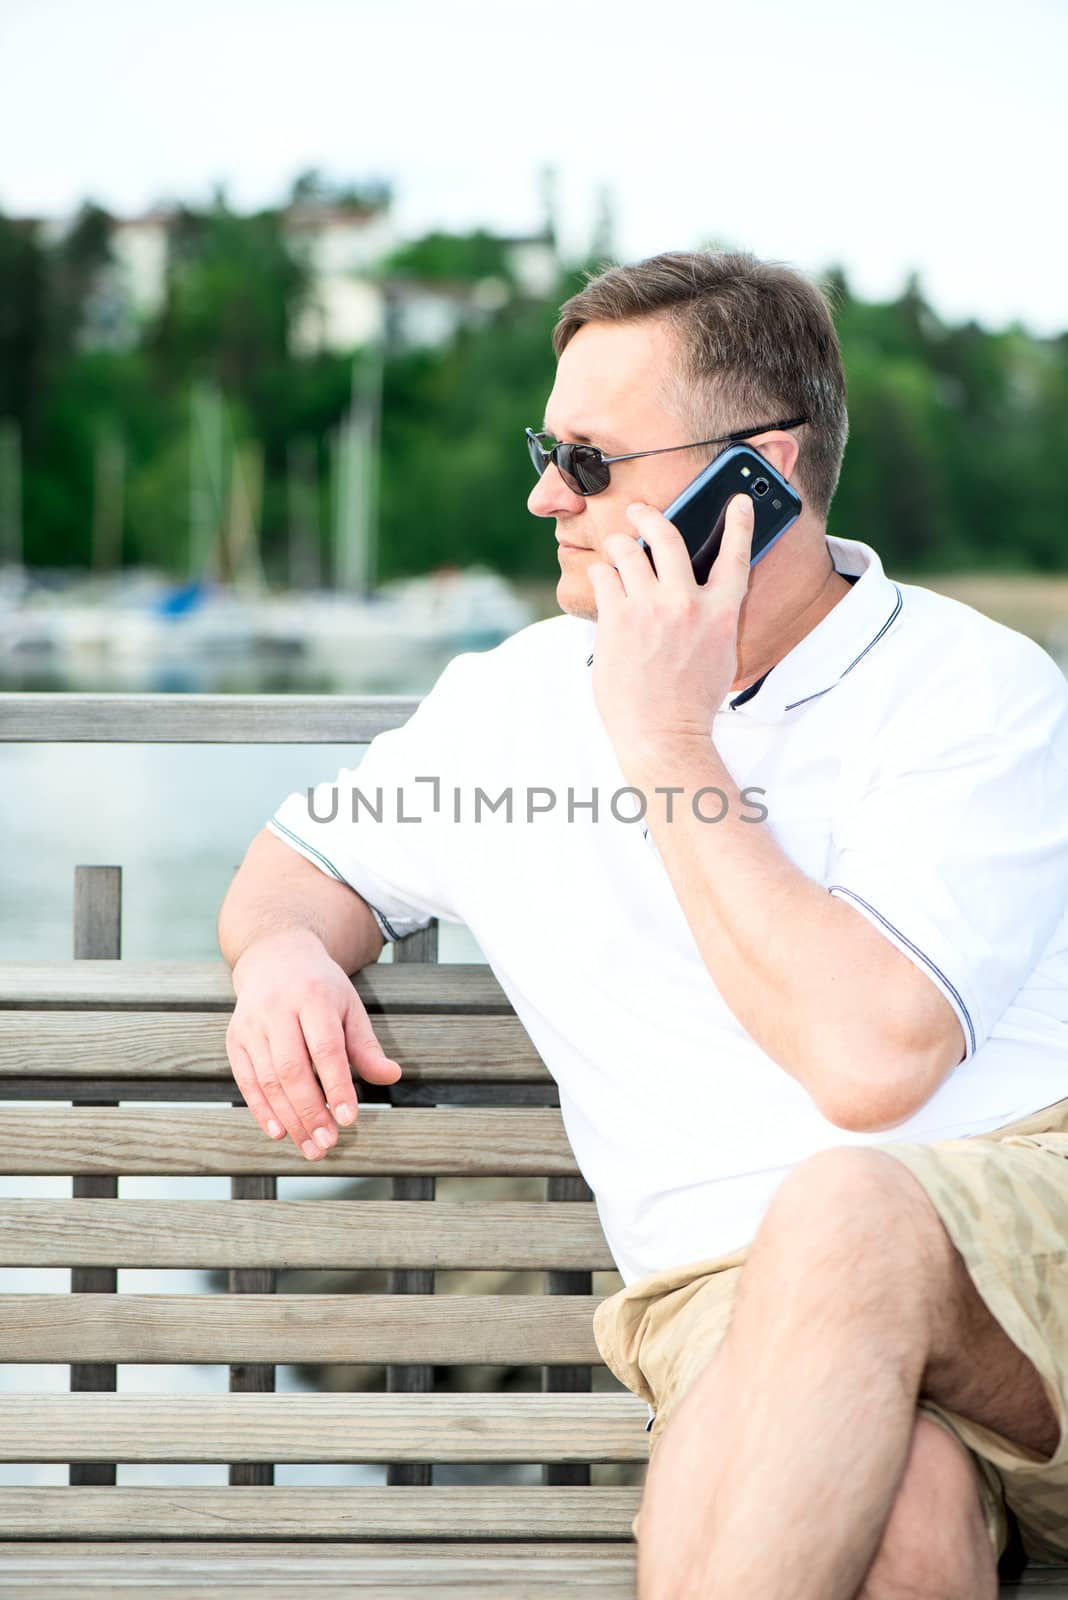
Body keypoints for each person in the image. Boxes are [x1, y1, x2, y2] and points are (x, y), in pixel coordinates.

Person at [217, 250, 1068, 1600]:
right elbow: (295, 866)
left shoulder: (972, 691)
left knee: (845, 1206)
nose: (545, 494)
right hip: (726, 1309)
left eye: (593, 459)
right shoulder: (516, 704)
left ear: (763, 473)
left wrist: (669, 737)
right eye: (547, 448)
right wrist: (279, 955)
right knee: (903, 1526)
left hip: (1021, 1250)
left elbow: (870, 1066)